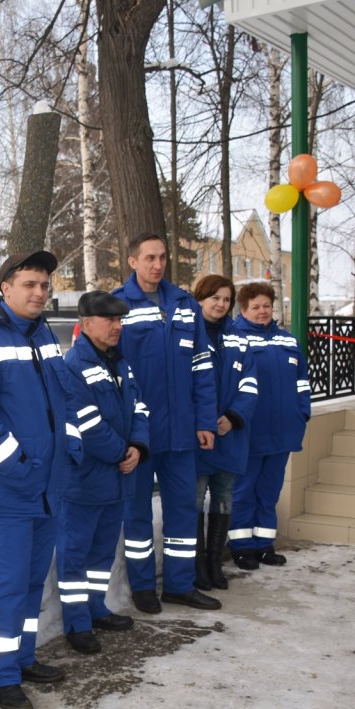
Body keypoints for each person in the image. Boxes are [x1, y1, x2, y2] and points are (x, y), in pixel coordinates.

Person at [0, 251, 78, 709]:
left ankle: (22, 657)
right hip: (7, 490)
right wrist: (22, 468)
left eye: (44, 285)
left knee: (31, 581)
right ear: (4, 288)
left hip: (47, 485)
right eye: (29, 284)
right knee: (8, 583)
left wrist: (70, 450)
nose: (38, 293)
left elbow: (64, 399)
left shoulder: (44, 335)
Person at [112, 233, 222, 614]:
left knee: (183, 510)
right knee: (138, 512)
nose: (157, 265)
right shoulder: (118, 305)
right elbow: (113, 372)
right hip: (139, 434)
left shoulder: (185, 305)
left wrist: (205, 419)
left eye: (162, 258)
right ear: (132, 261)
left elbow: (202, 366)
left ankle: (179, 584)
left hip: (181, 432)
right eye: (149, 258)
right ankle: (143, 586)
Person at [56, 291, 150, 654]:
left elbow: (140, 406)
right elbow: (87, 422)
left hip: (116, 478)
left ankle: (96, 609)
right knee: (75, 554)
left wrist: (139, 447)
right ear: (87, 323)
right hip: (85, 479)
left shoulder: (119, 362)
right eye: (109, 320)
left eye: (119, 320)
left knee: (100, 554)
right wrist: (121, 452)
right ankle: (76, 623)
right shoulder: (73, 366)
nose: (117, 326)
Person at [227, 282, 310, 569]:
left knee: (269, 491)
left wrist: (303, 412)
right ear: (243, 309)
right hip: (249, 432)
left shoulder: (288, 340)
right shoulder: (234, 338)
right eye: (255, 307)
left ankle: (264, 544)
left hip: (283, 431)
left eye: (266, 306)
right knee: (244, 490)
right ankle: (241, 546)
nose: (262, 312)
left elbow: (302, 381)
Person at [191, 274, 258, 592]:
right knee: (194, 500)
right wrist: (203, 419)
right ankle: (197, 565)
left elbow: (250, 383)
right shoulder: (186, 334)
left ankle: (215, 563)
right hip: (198, 436)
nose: (220, 304)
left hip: (230, 434)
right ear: (200, 298)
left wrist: (233, 416)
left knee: (223, 498)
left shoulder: (239, 337)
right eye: (214, 297)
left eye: (226, 299)